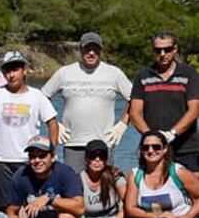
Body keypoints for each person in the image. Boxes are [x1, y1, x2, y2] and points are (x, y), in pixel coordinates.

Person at [0, 51, 59, 211]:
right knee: (3, 208)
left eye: (15, 69)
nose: (11, 74)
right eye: (7, 70)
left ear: (25, 70)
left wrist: (51, 153)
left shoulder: (37, 96)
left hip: (29, 161)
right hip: (1, 160)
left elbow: (53, 124)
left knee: (34, 207)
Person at [41, 32, 132, 173]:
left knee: (104, 187)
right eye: (87, 48)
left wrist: (123, 123)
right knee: (73, 188)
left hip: (104, 143)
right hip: (72, 143)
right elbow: (42, 97)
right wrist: (54, 123)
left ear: (100, 50)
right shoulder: (64, 72)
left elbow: (134, 99)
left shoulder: (114, 73)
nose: (91, 53)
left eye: (95, 49)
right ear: (80, 49)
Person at [129, 31, 199, 173]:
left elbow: (194, 110)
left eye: (167, 49)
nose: (162, 54)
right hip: (152, 150)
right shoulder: (143, 75)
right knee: (152, 191)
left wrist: (172, 134)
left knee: (193, 192)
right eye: (158, 50)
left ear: (175, 49)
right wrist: (151, 138)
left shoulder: (189, 74)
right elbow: (134, 113)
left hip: (186, 149)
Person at [78, 139, 131, 218]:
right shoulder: (78, 179)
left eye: (101, 156)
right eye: (93, 156)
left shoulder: (115, 176)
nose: (97, 160)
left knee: (134, 217)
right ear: (86, 159)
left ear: (106, 159)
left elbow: (129, 202)